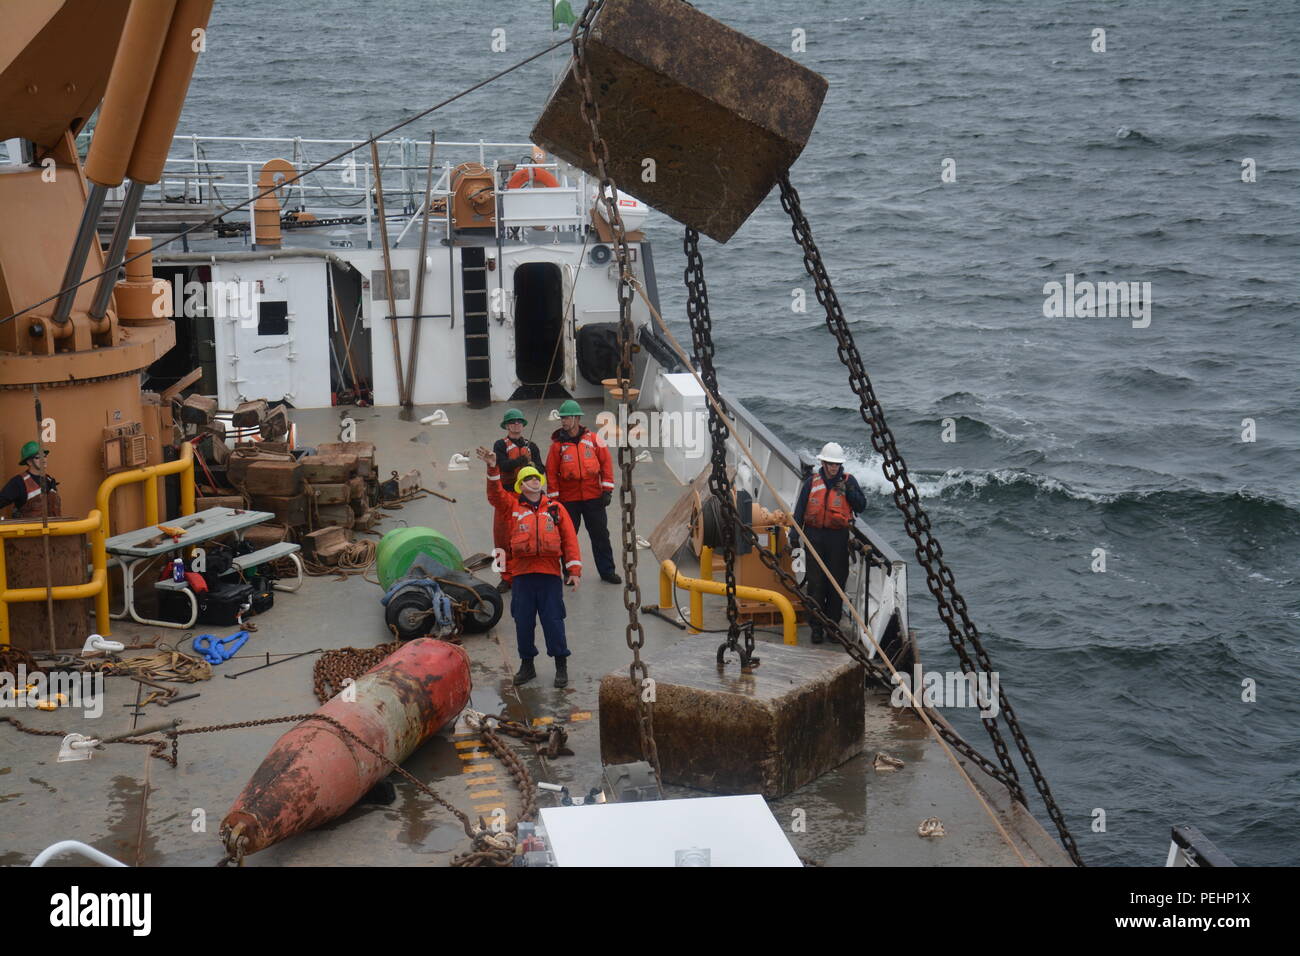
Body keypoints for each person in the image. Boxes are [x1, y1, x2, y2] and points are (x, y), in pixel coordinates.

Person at [478, 446, 581, 688]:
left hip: (549, 577)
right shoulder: (511, 507)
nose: (533, 481)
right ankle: (527, 666)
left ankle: (560, 665)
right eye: (528, 479)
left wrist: (574, 571)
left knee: (553, 621)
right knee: (523, 622)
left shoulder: (555, 509)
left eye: (536, 477)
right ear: (521, 485)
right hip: (522, 577)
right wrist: (492, 467)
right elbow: (494, 495)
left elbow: (569, 540)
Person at [791, 442, 865, 644]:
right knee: (816, 584)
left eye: (836, 464)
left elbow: (861, 505)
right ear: (823, 463)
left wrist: (850, 491)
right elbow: (799, 510)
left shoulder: (849, 481)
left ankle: (833, 627)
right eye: (830, 464)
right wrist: (794, 534)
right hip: (815, 537)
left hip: (838, 538)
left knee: (836, 584)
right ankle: (816, 627)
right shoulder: (811, 483)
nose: (833, 468)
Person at [545, 399, 620, 584]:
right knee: (567, 537)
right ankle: (570, 573)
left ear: (577, 418)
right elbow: (551, 473)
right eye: (562, 418)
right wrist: (554, 501)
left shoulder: (595, 440)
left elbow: (606, 465)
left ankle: (607, 571)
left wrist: (607, 490)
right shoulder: (557, 447)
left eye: (567, 417)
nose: (563, 421)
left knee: (600, 535)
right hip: (568, 500)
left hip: (593, 497)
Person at [490, 408, 545, 593]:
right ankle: (505, 577)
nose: (516, 424)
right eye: (512, 422)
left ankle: (525, 574)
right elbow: (502, 465)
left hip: (526, 496)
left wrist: (533, 465)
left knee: (526, 536)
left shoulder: (533, 447)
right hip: (507, 496)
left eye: (519, 422)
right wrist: (521, 460)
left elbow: (541, 469)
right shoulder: (500, 445)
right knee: (502, 538)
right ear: (506, 425)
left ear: (523, 425)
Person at [0, 441, 61, 520]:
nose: (43, 459)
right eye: (38, 457)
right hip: (29, 531)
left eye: (45, 456)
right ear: (29, 462)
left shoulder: (50, 480)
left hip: (53, 530)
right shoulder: (19, 482)